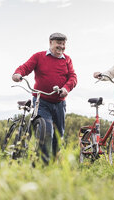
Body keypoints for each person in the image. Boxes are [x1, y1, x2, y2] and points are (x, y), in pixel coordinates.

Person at [12, 33, 77, 163]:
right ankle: (43, 164)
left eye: (63, 44)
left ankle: (53, 162)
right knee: (47, 131)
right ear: (50, 42)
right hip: (41, 101)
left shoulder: (67, 59)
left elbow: (73, 77)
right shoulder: (39, 56)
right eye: (58, 43)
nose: (61, 46)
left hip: (59, 103)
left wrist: (66, 88)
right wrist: (18, 74)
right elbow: (25, 67)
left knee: (59, 136)